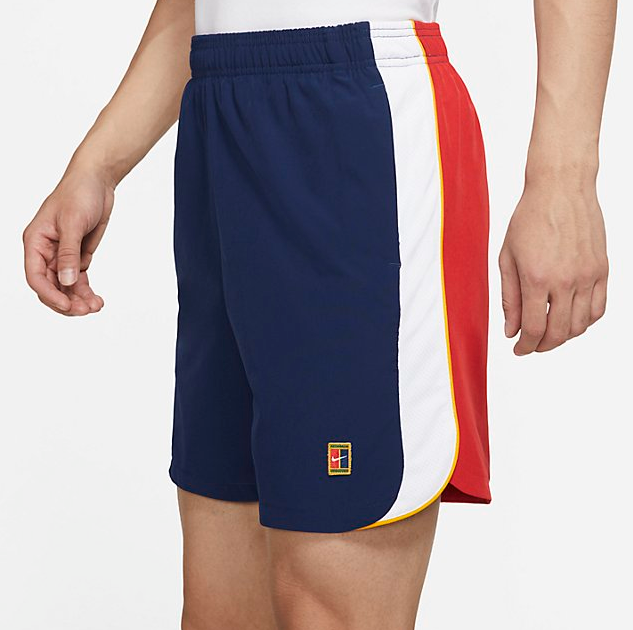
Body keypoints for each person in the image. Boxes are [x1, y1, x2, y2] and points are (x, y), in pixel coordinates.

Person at [22, 0, 615, 628]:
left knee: (329, 607)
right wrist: (97, 164)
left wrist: (564, 178)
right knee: (220, 613)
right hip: (218, 110)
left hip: (358, 114)